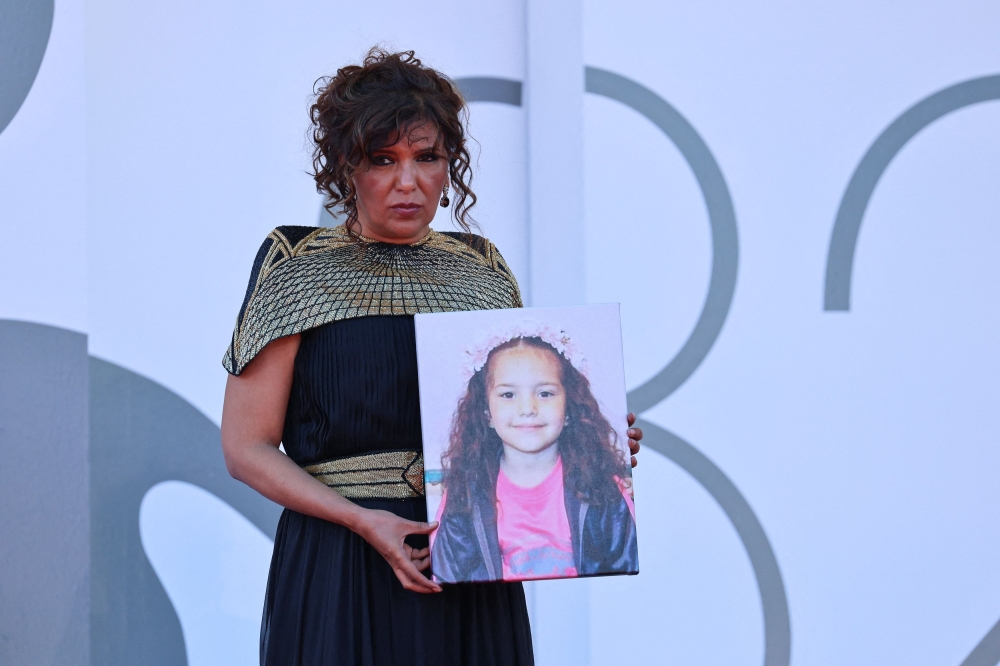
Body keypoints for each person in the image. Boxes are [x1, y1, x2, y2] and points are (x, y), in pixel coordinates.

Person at [219, 48, 642, 666]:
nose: (408, 181)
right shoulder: (296, 266)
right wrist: (364, 522)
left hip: (467, 556)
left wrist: (588, 436)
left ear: (451, 165)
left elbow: (508, 429)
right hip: (341, 561)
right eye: (382, 160)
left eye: (427, 158)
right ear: (345, 166)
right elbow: (245, 448)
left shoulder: (483, 270)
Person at [431, 325, 639, 583]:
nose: (528, 408)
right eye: (508, 394)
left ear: (570, 407)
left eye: (545, 393)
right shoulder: (464, 495)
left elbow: (629, 574)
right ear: (486, 413)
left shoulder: (604, 491)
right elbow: (447, 578)